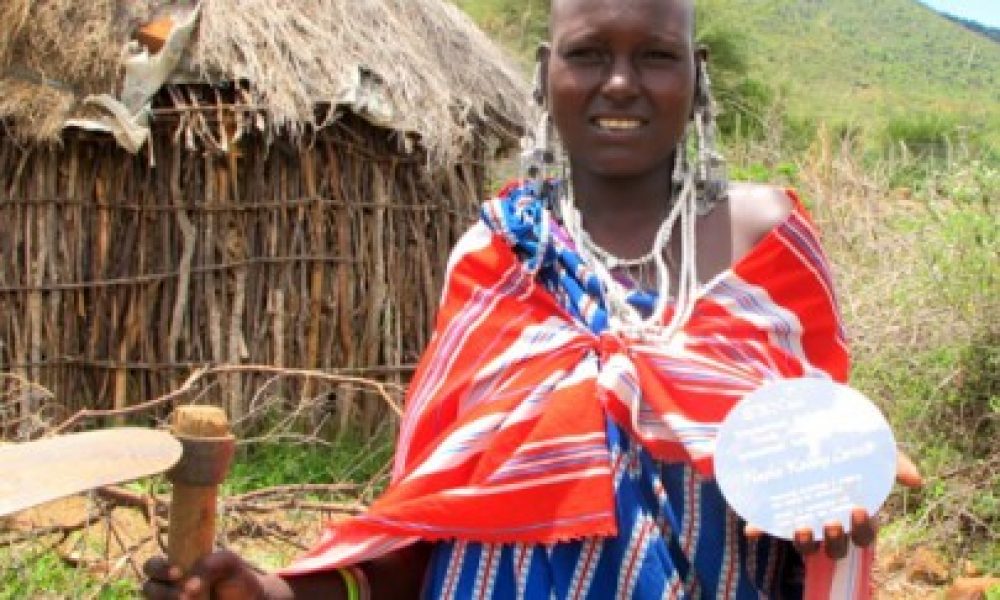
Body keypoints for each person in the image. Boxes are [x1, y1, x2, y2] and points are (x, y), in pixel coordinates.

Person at [143, 0, 922, 598]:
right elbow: (428, 529)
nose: (621, 82)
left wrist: (834, 506)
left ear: (697, 71)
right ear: (548, 71)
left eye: (656, 55)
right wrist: (277, 592)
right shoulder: (495, 257)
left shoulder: (769, 245)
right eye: (589, 53)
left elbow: (807, 484)